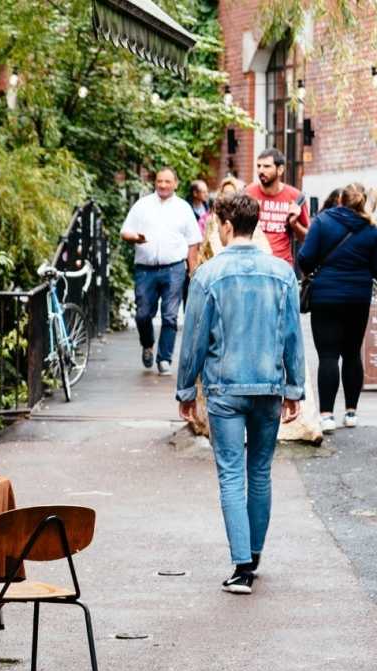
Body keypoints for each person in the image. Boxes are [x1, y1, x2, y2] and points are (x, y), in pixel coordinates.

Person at [176, 192, 305, 596]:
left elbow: (194, 338)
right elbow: (292, 335)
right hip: (268, 385)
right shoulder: (282, 273)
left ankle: (242, 566)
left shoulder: (208, 275)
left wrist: (185, 390)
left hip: (224, 387)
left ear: (227, 226)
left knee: (231, 474)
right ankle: (255, 553)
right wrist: (294, 388)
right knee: (260, 472)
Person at [298, 183, 377, 432]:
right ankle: (351, 412)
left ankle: (327, 416)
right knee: (352, 354)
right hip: (358, 298)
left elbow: (305, 258)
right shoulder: (371, 228)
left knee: (328, 356)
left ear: (340, 199)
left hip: (326, 296)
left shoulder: (322, 222)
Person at [121, 167, 203, 375]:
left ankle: (164, 358)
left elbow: (193, 241)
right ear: (155, 183)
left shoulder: (183, 208)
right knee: (142, 314)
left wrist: (192, 269)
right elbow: (125, 231)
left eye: (167, 181)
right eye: (159, 181)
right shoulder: (142, 205)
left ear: (176, 183)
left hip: (174, 268)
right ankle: (147, 344)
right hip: (145, 269)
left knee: (170, 316)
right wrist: (135, 237)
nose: (163, 185)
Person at [245, 148, 310, 268]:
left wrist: (294, 224)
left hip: (281, 266)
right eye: (258, 166)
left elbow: (307, 238)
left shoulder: (295, 197)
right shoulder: (248, 194)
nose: (261, 170)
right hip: (252, 264)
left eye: (266, 166)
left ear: (280, 170)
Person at [200, 177, 272, 261]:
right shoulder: (212, 220)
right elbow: (204, 247)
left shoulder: (248, 219)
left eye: (232, 193)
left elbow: (264, 248)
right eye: (225, 193)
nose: (228, 197)